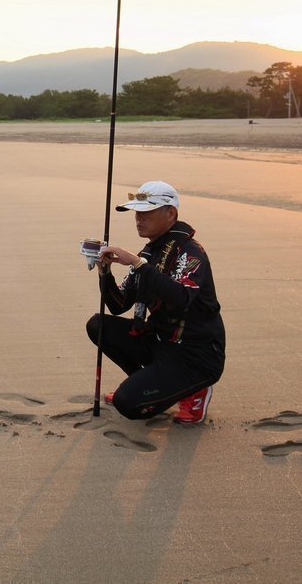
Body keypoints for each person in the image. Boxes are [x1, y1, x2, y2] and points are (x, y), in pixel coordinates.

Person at [87, 180, 225, 425]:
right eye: (137, 213)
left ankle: (194, 391)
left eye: (147, 213)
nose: (139, 219)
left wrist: (137, 264)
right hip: (161, 342)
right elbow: (119, 304)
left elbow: (182, 297)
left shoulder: (190, 252)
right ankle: (156, 387)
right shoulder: (149, 253)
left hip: (196, 354)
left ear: (170, 213)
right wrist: (104, 273)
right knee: (98, 325)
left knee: (126, 404)